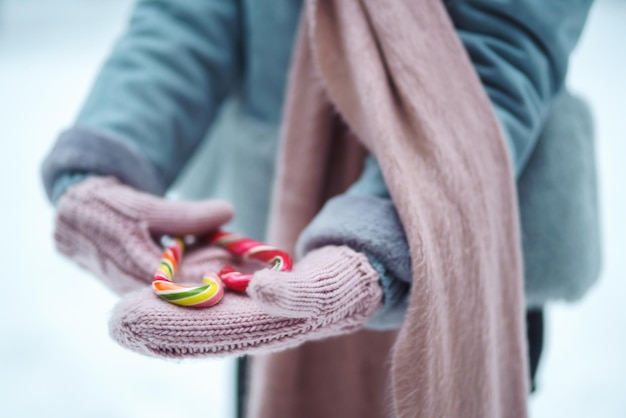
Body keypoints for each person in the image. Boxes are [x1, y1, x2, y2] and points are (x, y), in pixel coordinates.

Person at [42, 0, 600, 415]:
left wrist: (386, 233)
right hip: (273, 251)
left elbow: (505, 45)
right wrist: (102, 160)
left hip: (458, 233)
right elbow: (183, 17)